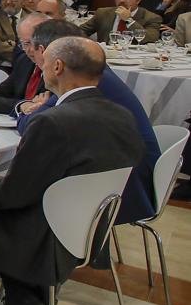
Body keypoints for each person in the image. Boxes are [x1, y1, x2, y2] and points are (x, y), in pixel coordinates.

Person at [0, 36, 144, 305]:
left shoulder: (54, 122)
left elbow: (14, 194)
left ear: (58, 67)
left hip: (45, 236)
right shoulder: (122, 115)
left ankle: (23, 290)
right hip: (92, 226)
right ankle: (28, 290)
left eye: (44, 62)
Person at [16, 21, 161, 225]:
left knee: (27, 189)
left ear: (58, 62)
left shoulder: (81, 81)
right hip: (125, 174)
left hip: (125, 187)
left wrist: (23, 111)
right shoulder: (95, 72)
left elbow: (34, 124)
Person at [80, 0, 162, 44]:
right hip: (107, 57)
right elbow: (80, 31)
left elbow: (151, 38)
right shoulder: (102, 13)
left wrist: (129, 20)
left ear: (138, 0)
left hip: (135, 60)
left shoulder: (151, 17)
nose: (122, 0)